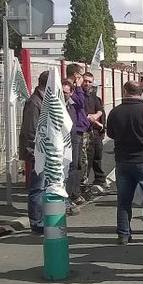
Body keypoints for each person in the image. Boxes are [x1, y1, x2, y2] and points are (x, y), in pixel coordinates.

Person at [106, 81, 143, 245]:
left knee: (124, 200)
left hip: (123, 161)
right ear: (141, 93)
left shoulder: (115, 112)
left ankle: (124, 234)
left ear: (125, 91)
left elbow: (110, 134)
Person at [18, 71, 49, 234]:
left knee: (43, 186)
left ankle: (42, 218)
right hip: (38, 151)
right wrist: (33, 153)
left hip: (45, 150)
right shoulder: (35, 102)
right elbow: (30, 130)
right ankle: (36, 222)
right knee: (38, 187)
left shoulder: (44, 100)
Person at [65, 63, 89, 206]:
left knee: (77, 164)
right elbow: (81, 102)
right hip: (72, 130)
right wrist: (78, 86)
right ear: (75, 75)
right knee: (72, 164)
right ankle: (72, 194)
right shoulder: (69, 88)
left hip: (78, 129)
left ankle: (75, 192)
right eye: (80, 76)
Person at [81, 72, 107, 191]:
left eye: (89, 81)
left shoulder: (95, 98)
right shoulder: (79, 96)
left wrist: (96, 116)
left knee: (98, 155)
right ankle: (83, 183)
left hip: (96, 133)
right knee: (86, 159)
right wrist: (93, 119)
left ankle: (100, 179)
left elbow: (101, 110)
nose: (87, 83)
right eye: (85, 81)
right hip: (84, 133)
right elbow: (83, 115)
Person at [61, 80, 80, 216]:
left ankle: (69, 197)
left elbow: (82, 102)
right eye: (61, 92)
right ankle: (64, 200)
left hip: (72, 140)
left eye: (66, 92)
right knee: (62, 171)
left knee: (72, 168)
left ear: (71, 93)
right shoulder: (57, 106)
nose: (63, 95)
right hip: (61, 143)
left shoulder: (72, 105)